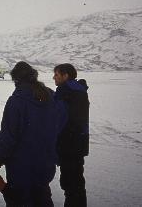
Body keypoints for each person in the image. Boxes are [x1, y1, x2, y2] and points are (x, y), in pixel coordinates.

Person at [0, 61, 64, 207]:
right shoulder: (51, 96)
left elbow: (8, 136)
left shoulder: (17, 101)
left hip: (21, 167)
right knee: (42, 197)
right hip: (45, 164)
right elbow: (59, 126)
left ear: (17, 79)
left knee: (20, 200)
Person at [53, 63, 89, 207]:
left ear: (66, 76)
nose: (54, 77)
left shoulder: (65, 92)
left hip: (67, 144)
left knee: (70, 183)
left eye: (57, 74)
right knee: (77, 182)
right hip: (79, 142)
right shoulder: (79, 91)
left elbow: (59, 121)